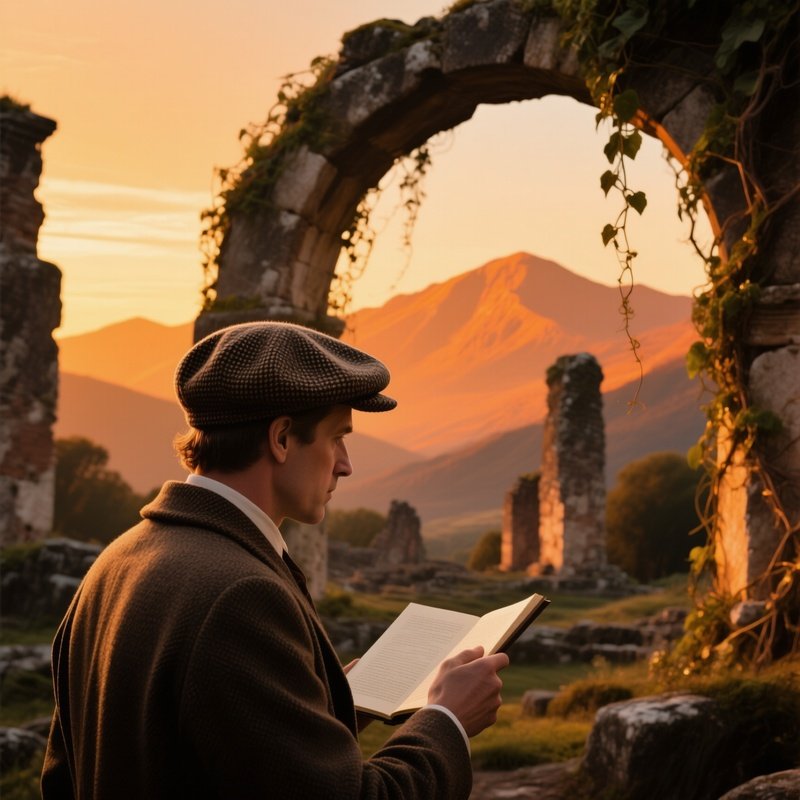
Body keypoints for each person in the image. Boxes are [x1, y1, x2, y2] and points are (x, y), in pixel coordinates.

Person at [41, 321, 509, 799]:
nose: (345, 464)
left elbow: (63, 777)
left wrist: (321, 695)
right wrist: (447, 720)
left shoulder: (115, 562)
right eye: (336, 437)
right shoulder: (241, 596)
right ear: (282, 438)